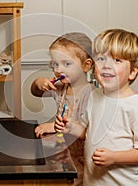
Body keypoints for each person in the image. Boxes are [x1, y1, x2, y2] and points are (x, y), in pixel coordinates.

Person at [55, 29, 138, 185]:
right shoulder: (95, 96)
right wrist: (70, 127)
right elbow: (88, 133)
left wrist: (114, 157)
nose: (106, 66)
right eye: (101, 58)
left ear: (132, 71)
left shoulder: (136, 106)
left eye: (117, 60)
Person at [31, 32, 94, 186]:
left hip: (84, 157)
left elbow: (90, 131)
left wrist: (53, 126)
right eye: (55, 64)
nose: (58, 69)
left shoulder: (91, 94)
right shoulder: (60, 87)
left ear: (86, 65)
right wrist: (39, 83)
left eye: (66, 64)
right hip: (65, 152)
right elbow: (35, 92)